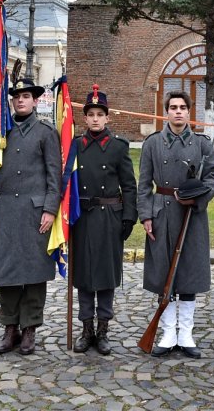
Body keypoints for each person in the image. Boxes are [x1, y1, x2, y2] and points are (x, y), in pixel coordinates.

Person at [0, 78, 62, 356]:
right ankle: (10, 327)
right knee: (7, 271)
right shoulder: (1, 131)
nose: (20, 100)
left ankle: (30, 329)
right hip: (3, 211)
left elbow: (54, 175)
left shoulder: (46, 132)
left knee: (34, 272)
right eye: (16, 97)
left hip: (35, 212)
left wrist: (50, 208)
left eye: (26, 96)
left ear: (36, 101)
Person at [138, 90, 214, 358]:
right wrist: (146, 215)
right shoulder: (152, 144)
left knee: (188, 274)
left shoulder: (202, 144)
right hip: (162, 213)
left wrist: (196, 199)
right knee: (164, 274)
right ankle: (166, 332)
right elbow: (143, 185)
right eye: (173, 107)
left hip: (192, 216)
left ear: (189, 112)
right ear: (167, 111)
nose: (177, 111)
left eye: (182, 107)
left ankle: (185, 334)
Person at [69, 85, 137, 356]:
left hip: (109, 218)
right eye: (91, 114)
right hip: (83, 218)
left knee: (107, 276)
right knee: (84, 275)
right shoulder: (76, 146)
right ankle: (86, 330)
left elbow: (129, 186)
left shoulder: (118, 148)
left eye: (100, 114)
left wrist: (129, 217)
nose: (95, 119)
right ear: (84, 118)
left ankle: (103, 330)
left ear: (108, 118)